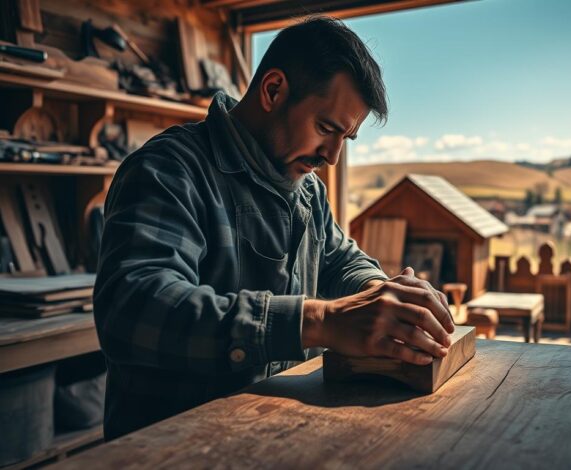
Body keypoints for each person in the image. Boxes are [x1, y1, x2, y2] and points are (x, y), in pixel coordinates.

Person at [94, 16, 454, 440]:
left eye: (346, 138)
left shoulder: (306, 191)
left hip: (270, 439)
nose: (333, 157)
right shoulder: (167, 170)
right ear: (273, 90)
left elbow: (340, 260)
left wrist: (386, 296)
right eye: (326, 128)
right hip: (167, 448)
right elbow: (133, 309)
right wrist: (318, 320)